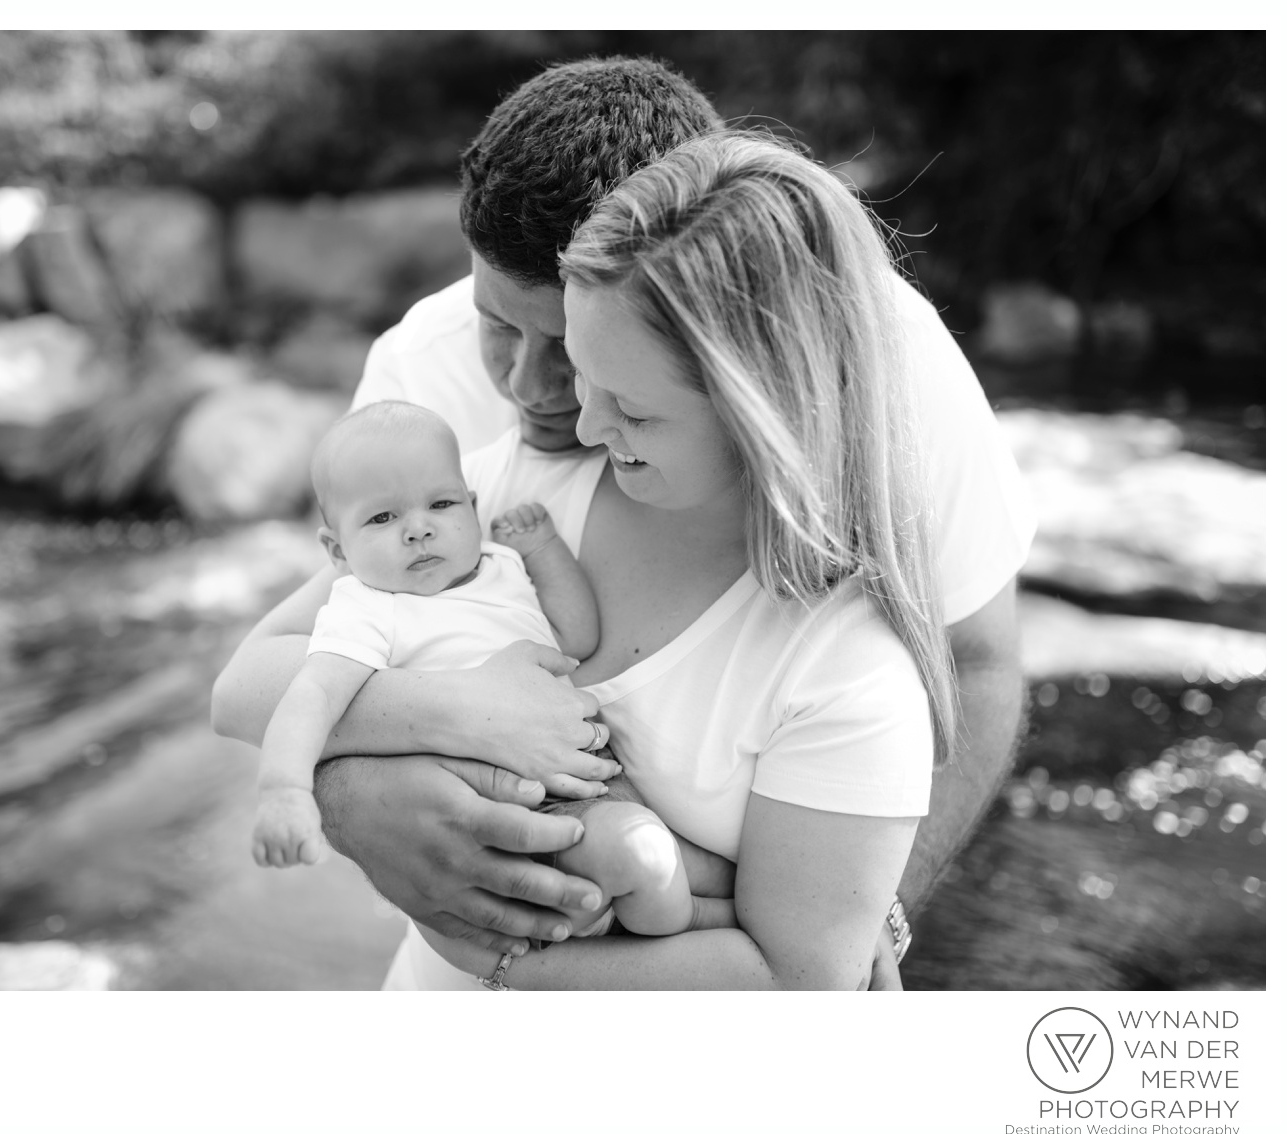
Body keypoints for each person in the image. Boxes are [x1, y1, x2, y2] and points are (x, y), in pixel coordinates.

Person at [211, 57, 1035, 983]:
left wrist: (866, 907)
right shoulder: (449, 409)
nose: (531, 391)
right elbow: (298, 664)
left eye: (570, 349)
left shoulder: (881, 370)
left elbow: (974, 665)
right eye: (496, 324)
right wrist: (359, 793)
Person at [252, 400, 727, 942]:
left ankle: (695, 913)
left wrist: (543, 551)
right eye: (383, 518)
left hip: (591, 773)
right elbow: (313, 693)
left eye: (441, 503)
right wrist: (283, 789)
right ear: (337, 549)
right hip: (499, 807)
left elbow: (574, 639)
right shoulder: (366, 607)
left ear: (472, 508)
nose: (419, 529)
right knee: (635, 854)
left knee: (687, 859)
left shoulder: (501, 566)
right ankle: (691, 922)